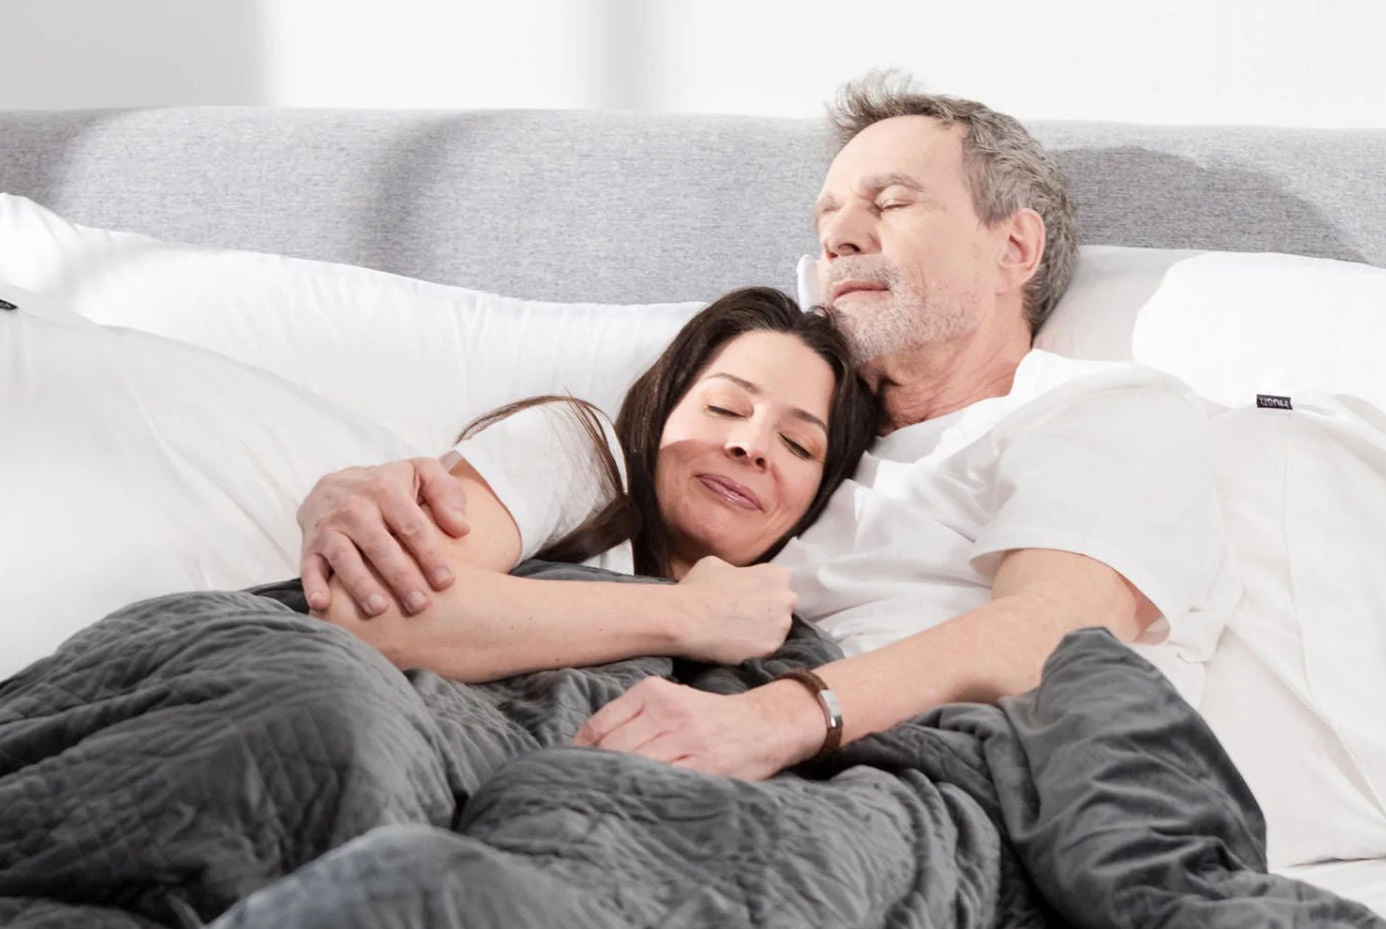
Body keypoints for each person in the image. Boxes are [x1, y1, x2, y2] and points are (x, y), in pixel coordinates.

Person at [296, 71, 1239, 780]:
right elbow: (598, 471)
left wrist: (783, 718)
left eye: (892, 202)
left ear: (1015, 247)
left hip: (864, 782)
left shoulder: (1091, 411)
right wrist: (345, 494)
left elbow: (1053, 632)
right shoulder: (790, 457)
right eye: (827, 215)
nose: (839, 236)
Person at [313, 286, 880, 682]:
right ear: (664, 408)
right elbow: (374, 618)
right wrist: (691, 615)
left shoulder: (776, 640)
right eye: (724, 406)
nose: (750, 445)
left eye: (797, 445)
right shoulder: (577, 449)